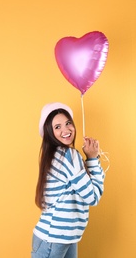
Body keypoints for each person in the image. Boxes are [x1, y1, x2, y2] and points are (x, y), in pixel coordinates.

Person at [31, 102, 105, 258]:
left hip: (64, 237)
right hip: (53, 239)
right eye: (57, 127)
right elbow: (93, 197)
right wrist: (93, 158)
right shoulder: (68, 155)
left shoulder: (55, 155)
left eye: (68, 123)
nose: (65, 130)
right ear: (49, 132)